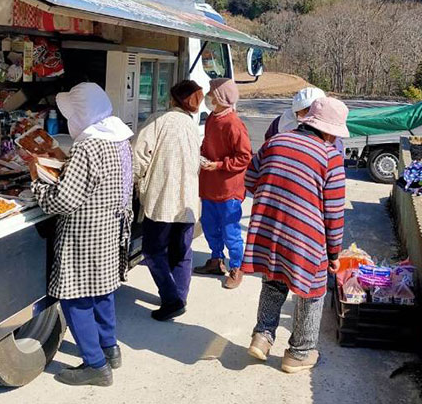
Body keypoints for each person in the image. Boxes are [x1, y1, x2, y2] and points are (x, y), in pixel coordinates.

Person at [30, 82, 134, 387]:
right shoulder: (118, 137)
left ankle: (95, 365)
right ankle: (110, 348)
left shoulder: (88, 146)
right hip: (110, 229)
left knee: (75, 298)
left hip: (85, 234)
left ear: (82, 113)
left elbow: (63, 201)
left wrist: (37, 179)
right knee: (102, 293)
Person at [242, 97, 349, 373]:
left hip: (267, 228)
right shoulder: (330, 157)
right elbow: (334, 213)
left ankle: (262, 336)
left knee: (273, 280)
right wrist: (334, 254)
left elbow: (250, 180)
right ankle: (299, 353)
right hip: (305, 235)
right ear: (329, 132)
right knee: (312, 290)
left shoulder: (275, 141)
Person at [133, 80, 204, 321]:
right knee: (181, 251)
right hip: (188, 200)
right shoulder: (191, 125)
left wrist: (133, 181)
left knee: (153, 250)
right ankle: (179, 297)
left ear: (173, 99)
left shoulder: (158, 120)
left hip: (162, 198)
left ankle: (171, 300)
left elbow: (139, 155)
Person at [193, 78, 252, 289]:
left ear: (220, 97)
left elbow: (244, 157)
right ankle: (216, 260)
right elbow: (208, 144)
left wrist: (219, 165)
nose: (208, 96)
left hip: (228, 189)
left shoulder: (233, 124)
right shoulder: (212, 118)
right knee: (209, 226)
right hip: (210, 186)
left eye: (211, 92)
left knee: (230, 231)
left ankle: (237, 266)